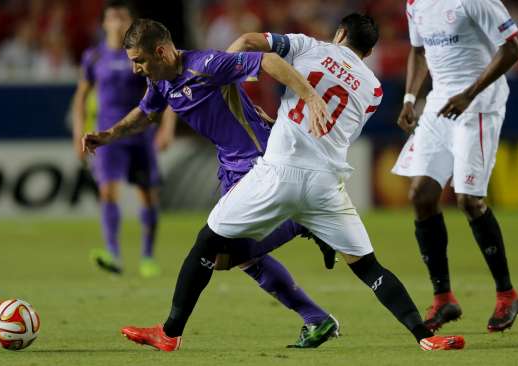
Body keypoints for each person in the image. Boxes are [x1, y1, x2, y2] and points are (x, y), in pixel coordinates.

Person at [111, 14, 465, 352]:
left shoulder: (310, 46)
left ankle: (170, 333)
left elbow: (257, 48)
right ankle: (424, 336)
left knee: (208, 244)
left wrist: (227, 73)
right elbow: (341, 125)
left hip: (277, 173)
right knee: (370, 268)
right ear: (369, 52)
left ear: (339, 34)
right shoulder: (374, 90)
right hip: (327, 185)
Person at [82, 18, 341, 348]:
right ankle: (316, 317)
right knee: (236, 258)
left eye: (139, 61)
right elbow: (145, 113)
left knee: (216, 250)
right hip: (231, 166)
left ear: (161, 51)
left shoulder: (206, 65)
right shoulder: (161, 81)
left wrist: (310, 97)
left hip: (257, 161)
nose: (136, 70)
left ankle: (304, 223)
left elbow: (268, 60)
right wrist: (108, 135)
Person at [391, 0, 518, 332]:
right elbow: (418, 51)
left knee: (469, 200)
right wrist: (410, 98)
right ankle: (444, 299)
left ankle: (507, 295)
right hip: (439, 102)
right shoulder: (415, 3)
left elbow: (512, 49)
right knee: (421, 195)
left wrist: (469, 93)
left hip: (478, 104)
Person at [71, 1, 176, 278]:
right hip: (108, 135)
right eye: (112, 18)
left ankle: (148, 257)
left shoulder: (141, 56)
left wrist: (167, 129)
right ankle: (113, 253)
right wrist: (78, 131)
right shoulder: (93, 57)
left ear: (130, 22)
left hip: (141, 133)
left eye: (122, 18)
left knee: (148, 195)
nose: (117, 23)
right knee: (107, 191)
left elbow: (165, 90)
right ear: (104, 23)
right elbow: (81, 97)